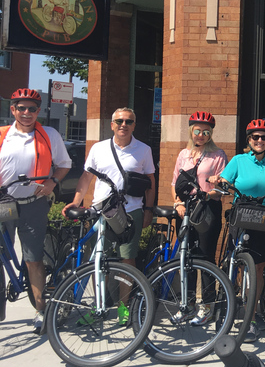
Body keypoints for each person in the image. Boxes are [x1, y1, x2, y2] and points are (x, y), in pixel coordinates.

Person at [0, 88, 71, 331]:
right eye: (22, 108)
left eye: (32, 108)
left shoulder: (49, 134)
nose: (27, 112)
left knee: (33, 259)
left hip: (33, 204)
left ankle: (40, 310)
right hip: (4, 203)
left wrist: (52, 182)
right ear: (13, 110)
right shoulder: (2, 135)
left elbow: (64, 165)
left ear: (38, 111)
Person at [216, 119, 265, 341]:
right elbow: (223, 180)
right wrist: (217, 180)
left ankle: (253, 312)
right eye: (255, 137)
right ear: (249, 140)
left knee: (258, 267)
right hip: (244, 215)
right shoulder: (238, 160)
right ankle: (236, 303)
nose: (259, 141)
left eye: (264, 137)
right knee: (239, 263)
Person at [64, 108, 155, 266]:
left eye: (129, 121)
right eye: (119, 121)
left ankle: (125, 292)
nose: (123, 125)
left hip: (131, 211)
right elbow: (86, 177)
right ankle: (102, 292)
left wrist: (148, 210)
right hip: (102, 211)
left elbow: (150, 182)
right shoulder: (98, 148)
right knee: (98, 259)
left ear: (134, 126)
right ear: (112, 125)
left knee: (127, 259)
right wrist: (76, 202)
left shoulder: (144, 150)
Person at [170, 111, 228, 326]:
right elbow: (175, 181)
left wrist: (210, 191)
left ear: (211, 133)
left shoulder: (218, 155)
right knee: (186, 257)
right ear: (191, 132)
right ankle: (187, 304)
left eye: (206, 131)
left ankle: (207, 306)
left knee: (205, 258)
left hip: (207, 209)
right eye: (197, 131)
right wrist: (177, 203)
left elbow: (222, 187)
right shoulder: (183, 154)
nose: (201, 135)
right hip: (185, 210)